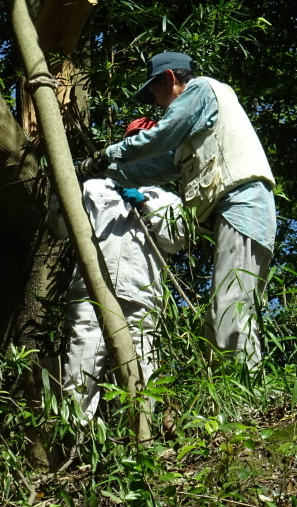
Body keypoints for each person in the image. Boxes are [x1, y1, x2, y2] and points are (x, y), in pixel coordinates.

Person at [77, 52, 276, 370]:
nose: (155, 104)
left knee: (230, 307)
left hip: (243, 205)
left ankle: (249, 404)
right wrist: (103, 172)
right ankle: (238, 397)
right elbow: (157, 166)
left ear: (169, 78)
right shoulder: (195, 134)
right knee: (224, 310)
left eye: (154, 92)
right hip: (235, 210)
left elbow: (159, 136)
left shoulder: (202, 90)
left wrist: (107, 154)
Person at [49, 118, 186, 419]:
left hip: (141, 293)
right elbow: (60, 227)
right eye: (137, 140)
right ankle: (75, 439)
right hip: (92, 287)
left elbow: (176, 241)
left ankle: (142, 446)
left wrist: (146, 205)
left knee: (141, 370)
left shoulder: (167, 199)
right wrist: (61, 188)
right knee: (81, 365)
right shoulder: (94, 187)